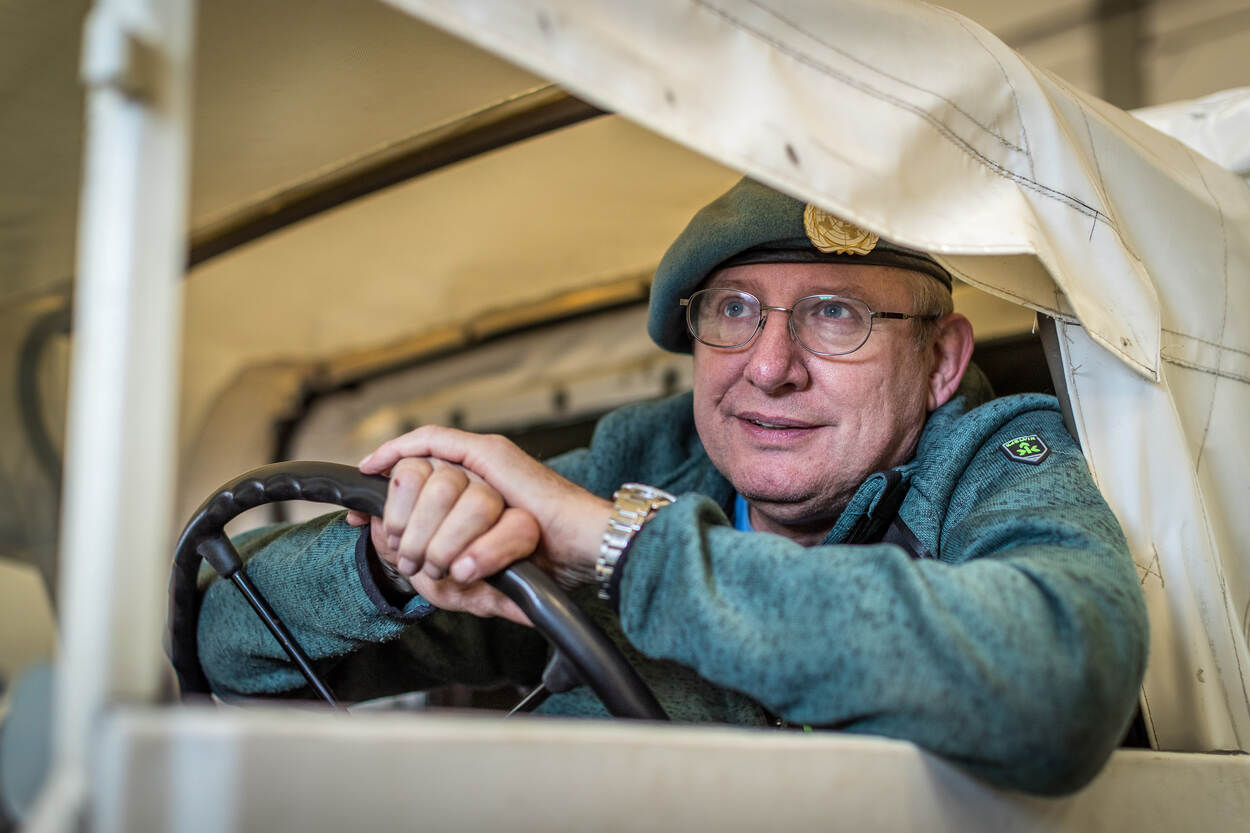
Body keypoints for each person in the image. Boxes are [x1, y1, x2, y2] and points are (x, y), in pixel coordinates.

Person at [195, 178, 1148, 796]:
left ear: (940, 362)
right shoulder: (643, 459)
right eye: (734, 310)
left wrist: (624, 550)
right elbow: (228, 642)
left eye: (835, 314)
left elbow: (1065, 684)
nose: (769, 367)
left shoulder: (990, 462)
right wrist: (393, 554)